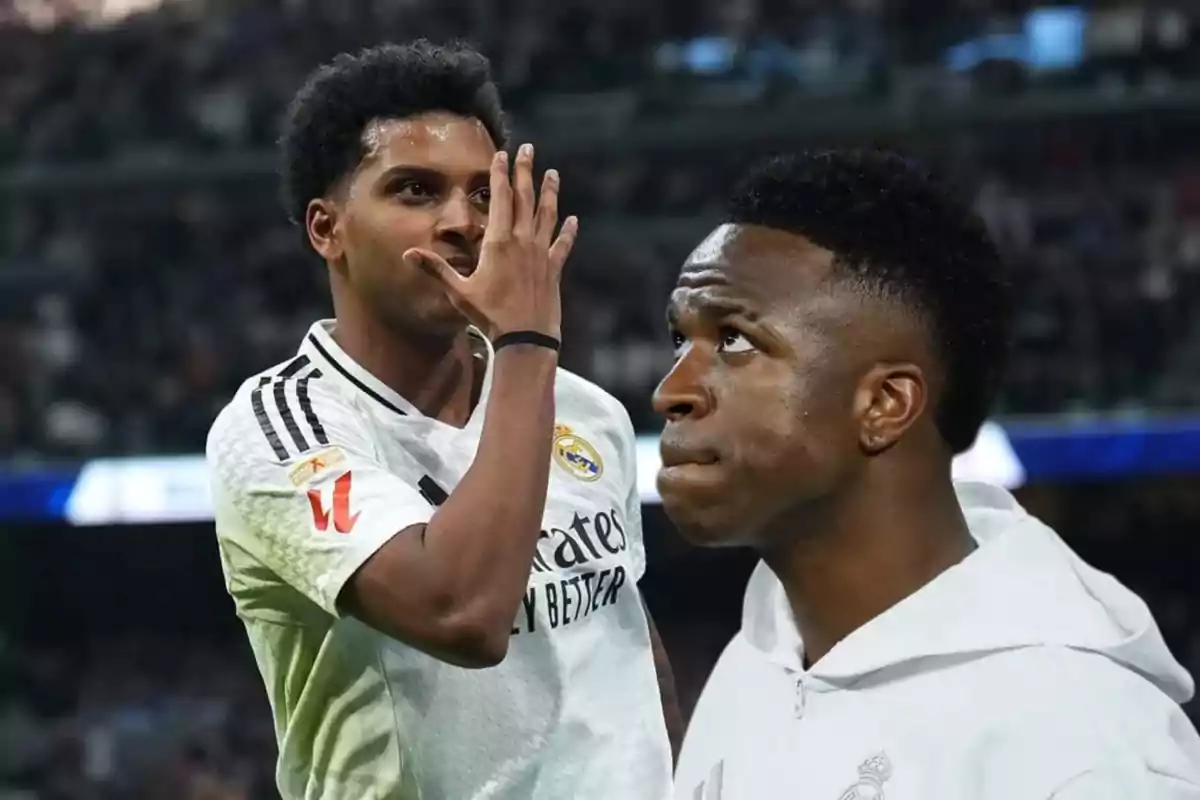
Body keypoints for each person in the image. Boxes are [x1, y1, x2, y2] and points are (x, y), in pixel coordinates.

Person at [205, 41, 678, 800]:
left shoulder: (585, 413)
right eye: (415, 191)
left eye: (484, 194)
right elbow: (462, 613)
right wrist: (526, 341)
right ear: (327, 230)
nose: (463, 222)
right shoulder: (281, 427)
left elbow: (624, 633)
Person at [659, 149, 1200, 799]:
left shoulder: (1080, 740)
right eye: (677, 340)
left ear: (885, 405)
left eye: (735, 341)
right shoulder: (754, 665)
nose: (672, 390)